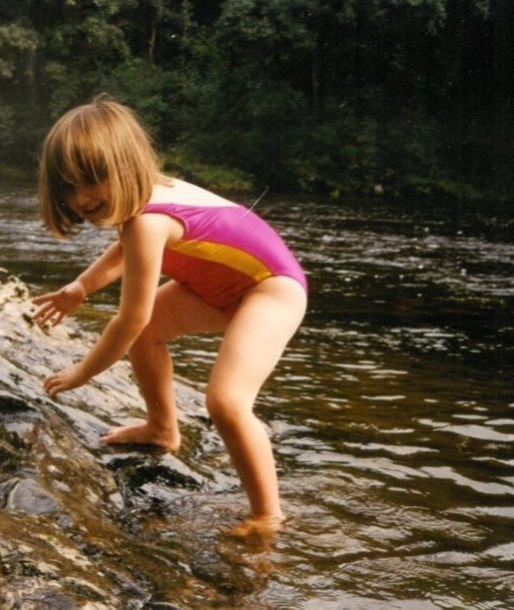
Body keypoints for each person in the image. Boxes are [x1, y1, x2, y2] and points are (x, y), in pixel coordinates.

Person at [31, 97, 307, 530]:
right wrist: (82, 286)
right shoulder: (145, 204)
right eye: (69, 186)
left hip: (270, 290)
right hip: (220, 287)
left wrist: (82, 374)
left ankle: (268, 518)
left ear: (126, 164)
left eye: (94, 180)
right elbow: (128, 252)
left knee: (227, 401)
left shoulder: (148, 220)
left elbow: (129, 319)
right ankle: (162, 429)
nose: (82, 198)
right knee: (150, 332)